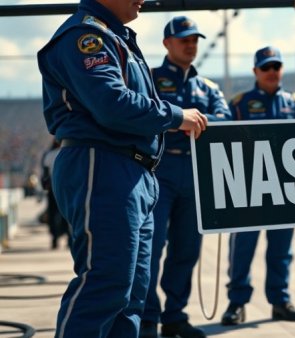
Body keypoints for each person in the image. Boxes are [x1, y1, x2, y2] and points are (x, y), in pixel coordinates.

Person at [36, 1, 208, 336]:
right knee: (105, 281)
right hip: (102, 165)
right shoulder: (87, 35)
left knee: (130, 295)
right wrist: (175, 116)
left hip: (133, 171)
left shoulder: (116, 37)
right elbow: (111, 104)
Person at [139, 16, 231, 338]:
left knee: (187, 248)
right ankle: (147, 318)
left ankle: (175, 316)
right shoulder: (148, 78)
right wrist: (182, 122)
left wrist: (182, 121)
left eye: (195, 40)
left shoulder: (208, 87)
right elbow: (145, 115)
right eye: (184, 40)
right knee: (150, 248)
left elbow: (224, 120)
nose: (191, 45)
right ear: (167, 43)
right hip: (158, 170)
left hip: (195, 174)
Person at [220, 46, 295, 325]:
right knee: (242, 248)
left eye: (276, 67)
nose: (272, 72)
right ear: (255, 72)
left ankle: (280, 300)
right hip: (247, 190)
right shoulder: (239, 104)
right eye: (266, 67)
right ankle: (237, 303)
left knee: (281, 250)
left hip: (287, 190)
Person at [41, 139, 71, 250]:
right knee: (66, 214)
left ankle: (54, 239)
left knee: (52, 214)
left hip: (52, 189)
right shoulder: (67, 153)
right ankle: (68, 238)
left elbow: (44, 175)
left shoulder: (49, 155)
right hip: (65, 188)